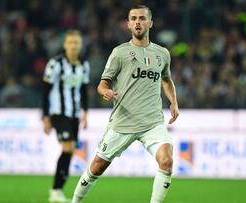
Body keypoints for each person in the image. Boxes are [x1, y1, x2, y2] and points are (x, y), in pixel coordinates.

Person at [71, 5, 179, 203]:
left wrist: (174, 102)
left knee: (167, 160)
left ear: (150, 23)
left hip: (152, 123)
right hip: (123, 122)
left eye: (142, 18)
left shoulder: (162, 54)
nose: (138, 22)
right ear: (128, 24)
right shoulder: (119, 53)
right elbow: (102, 84)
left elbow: (166, 79)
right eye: (134, 18)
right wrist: (105, 91)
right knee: (97, 166)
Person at [42, 30, 90, 202]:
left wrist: (85, 112)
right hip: (58, 112)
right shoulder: (55, 63)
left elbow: (84, 90)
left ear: (80, 45)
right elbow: (46, 91)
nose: (73, 46)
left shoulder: (84, 64)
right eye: (70, 42)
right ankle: (55, 190)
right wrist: (45, 116)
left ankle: (58, 190)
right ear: (65, 45)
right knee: (68, 148)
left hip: (74, 114)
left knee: (70, 150)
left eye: (76, 43)